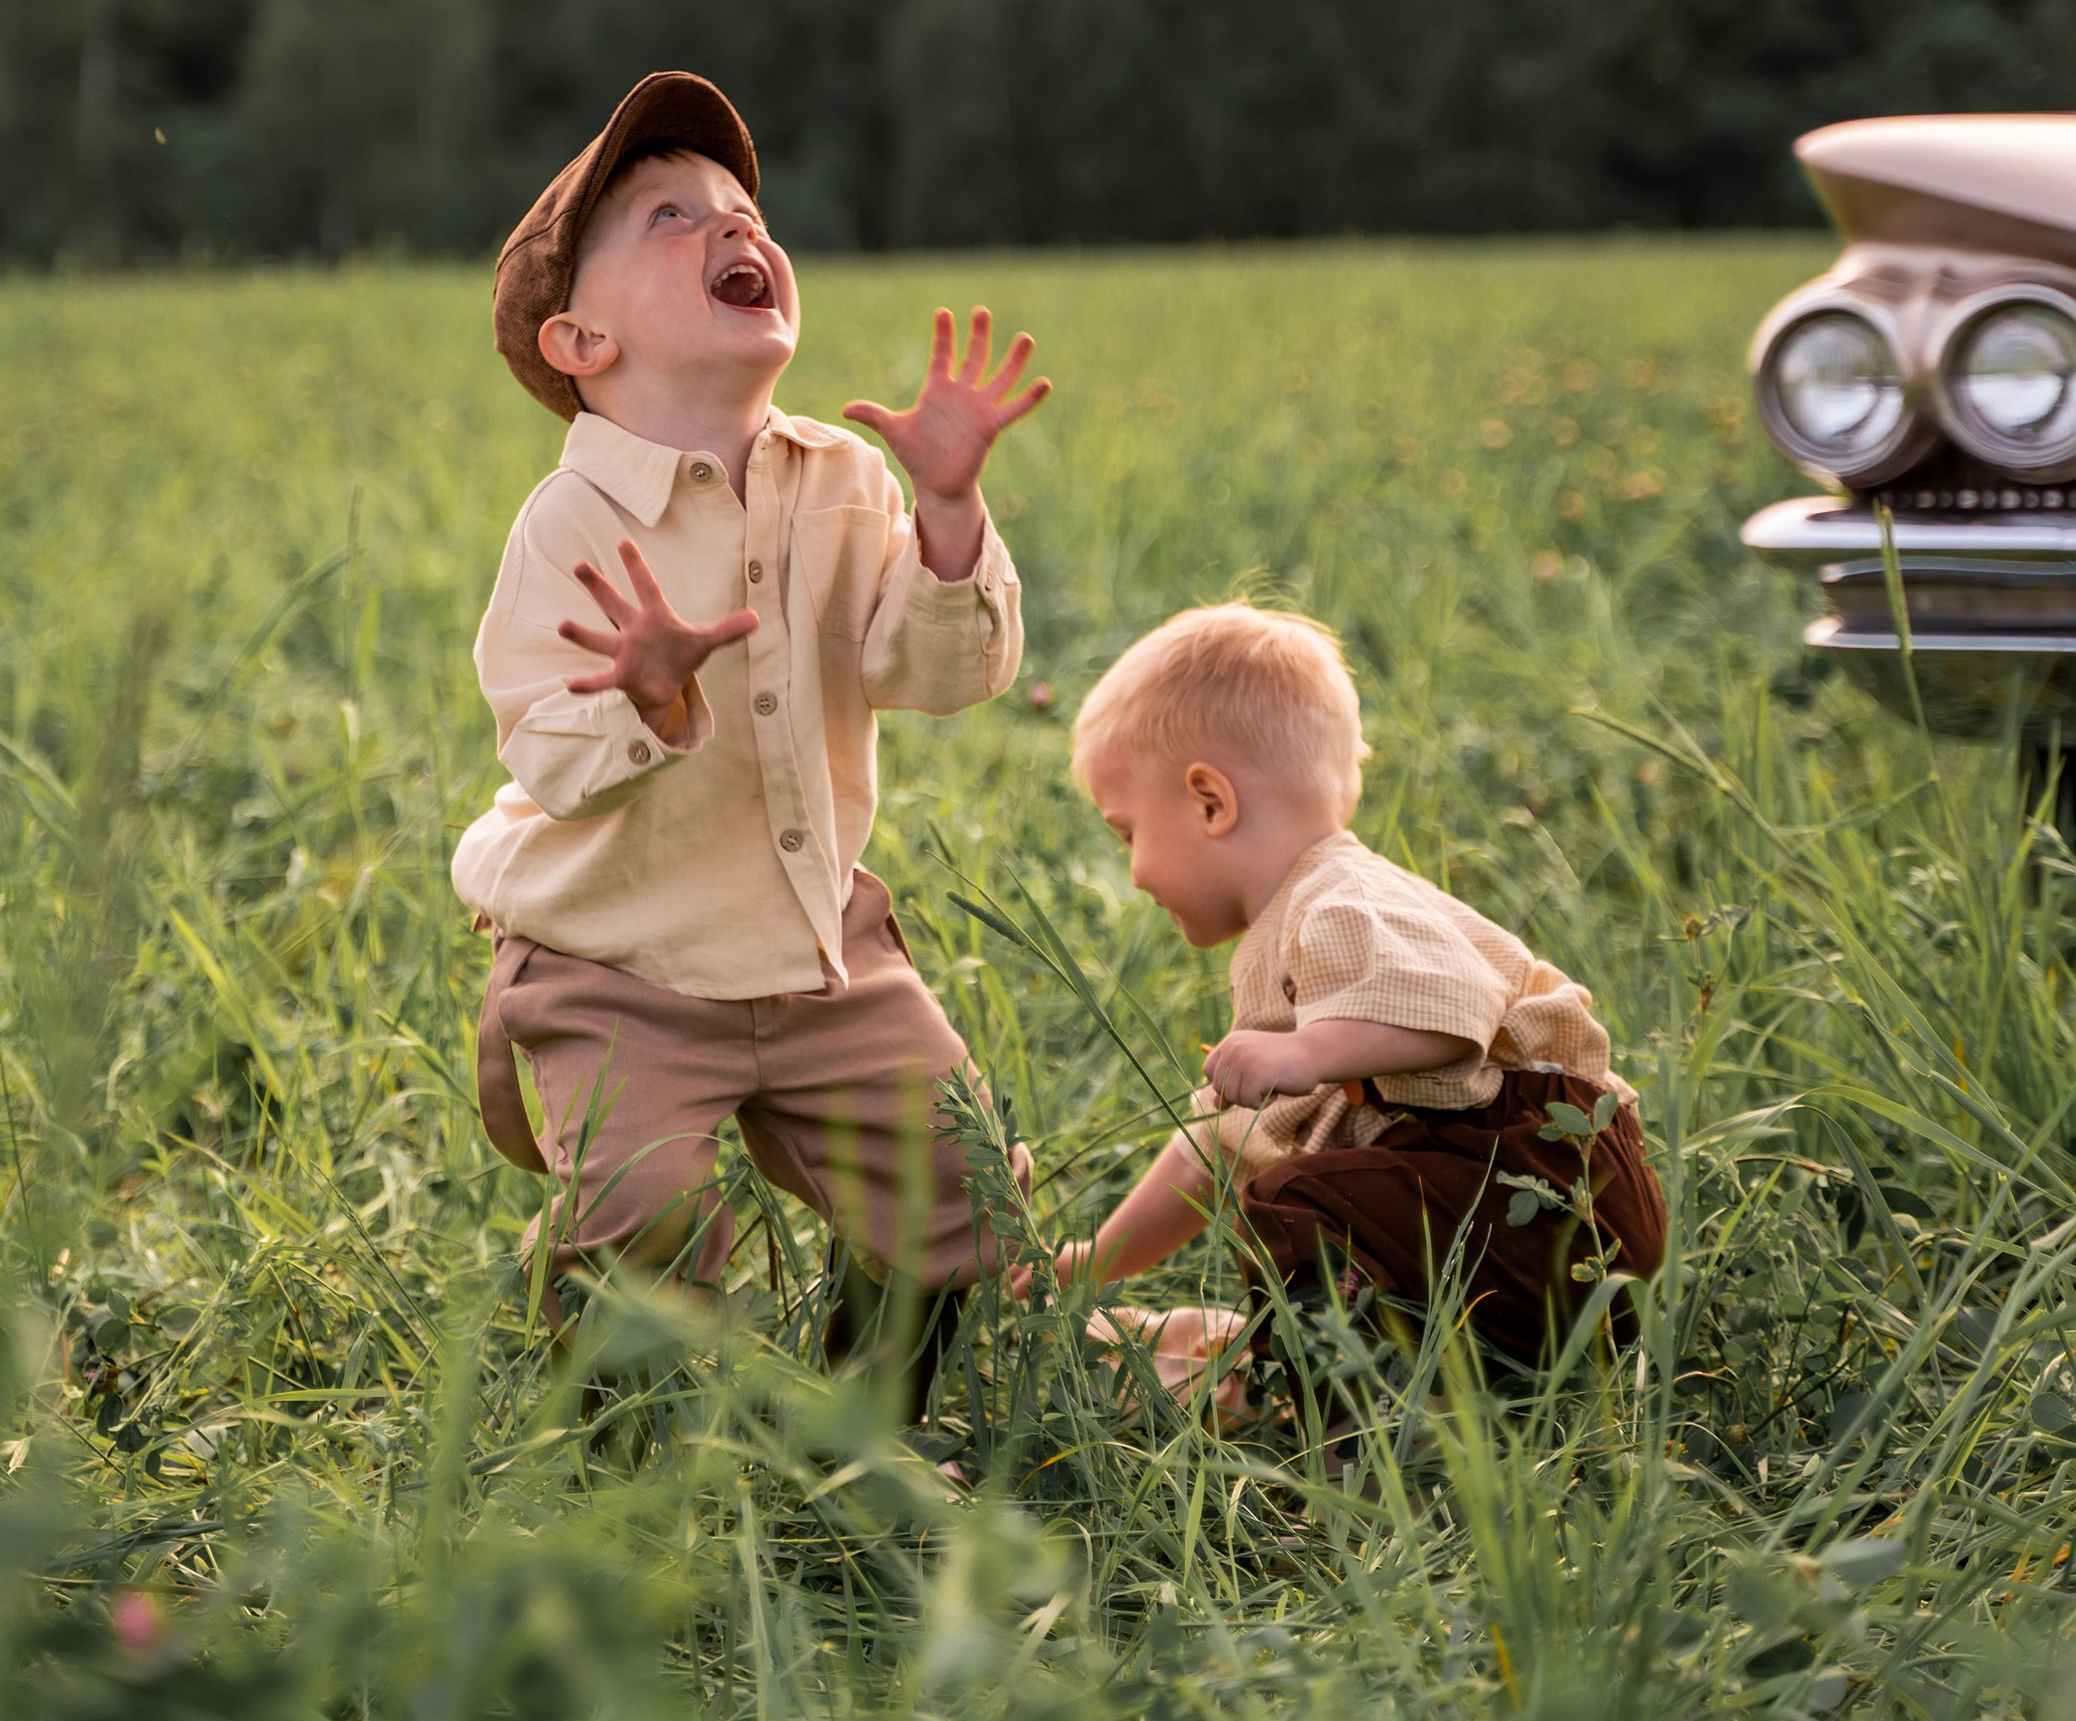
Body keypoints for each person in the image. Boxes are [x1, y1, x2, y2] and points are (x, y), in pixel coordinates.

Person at [457, 69, 1042, 1403]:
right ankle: (631, 1463)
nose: (732, 225)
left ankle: (867, 1429)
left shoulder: (845, 477)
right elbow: (546, 750)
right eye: (669, 216)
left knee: (962, 1191)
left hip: (814, 944)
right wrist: (644, 695)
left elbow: (934, 668)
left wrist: (949, 514)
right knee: (646, 1216)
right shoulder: (570, 523)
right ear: (580, 341)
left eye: (743, 210)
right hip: (620, 961)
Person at [1052, 603, 1663, 1407]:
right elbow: (1217, 1148)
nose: (1132, 872)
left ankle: (1354, 1427)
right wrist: (1098, 1259)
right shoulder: (1294, 929)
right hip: (1502, 1224)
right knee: (1304, 1184)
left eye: (1127, 833)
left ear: (1210, 802)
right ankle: (1424, 1391)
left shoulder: (1342, 899)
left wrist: (1305, 1053)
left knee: (1297, 1203)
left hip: (1549, 1197)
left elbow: (1449, 1010)